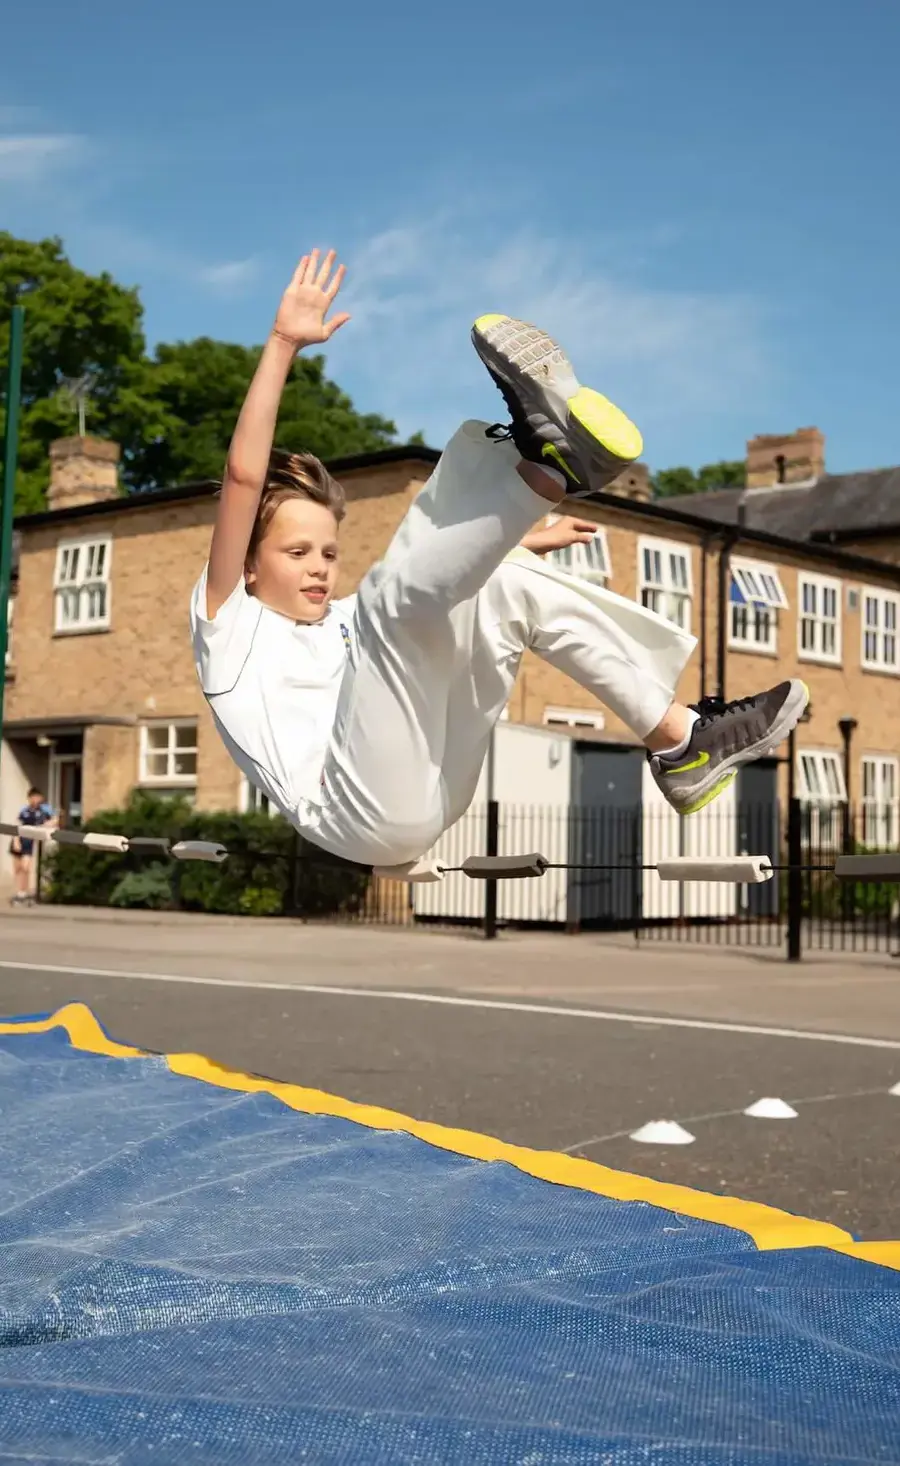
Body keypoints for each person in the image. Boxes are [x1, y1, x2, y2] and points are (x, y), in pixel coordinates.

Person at [190, 249, 808, 870]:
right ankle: (545, 467)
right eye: (296, 553)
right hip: (349, 812)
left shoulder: (349, 625)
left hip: (434, 788)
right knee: (391, 600)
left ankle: (681, 746)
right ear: (247, 567)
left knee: (492, 582)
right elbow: (245, 478)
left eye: (327, 552)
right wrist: (281, 343)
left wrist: (519, 548)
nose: (319, 568)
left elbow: (437, 585)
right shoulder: (229, 625)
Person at [9, 787, 54, 905]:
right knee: (18, 868)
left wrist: (45, 826)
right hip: (19, 840)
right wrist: (16, 841)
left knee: (26, 867)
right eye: (32, 797)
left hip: (29, 841)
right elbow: (17, 824)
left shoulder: (44, 811)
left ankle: (25, 892)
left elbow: (51, 821)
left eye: (37, 797)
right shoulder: (24, 810)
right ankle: (19, 891)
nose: (35, 799)